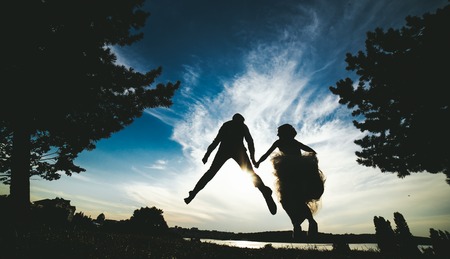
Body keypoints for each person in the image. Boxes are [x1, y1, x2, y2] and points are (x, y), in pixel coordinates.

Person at [184, 113, 277, 215]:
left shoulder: (229, 125)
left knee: (211, 173)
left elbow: (217, 141)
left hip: (228, 150)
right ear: (238, 120)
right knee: (250, 173)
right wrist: (253, 158)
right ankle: (264, 190)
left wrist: (207, 154)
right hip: (234, 151)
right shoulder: (238, 126)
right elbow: (249, 142)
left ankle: (193, 193)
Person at [254, 123, 325, 239]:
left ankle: (305, 224)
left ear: (284, 133)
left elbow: (306, 148)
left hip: (295, 172)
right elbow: (266, 154)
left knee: (293, 199)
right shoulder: (282, 142)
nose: (277, 134)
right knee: (288, 200)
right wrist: (258, 162)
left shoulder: (292, 142)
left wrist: (312, 156)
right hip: (288, 173)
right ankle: (300, 224)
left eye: (279, 132)